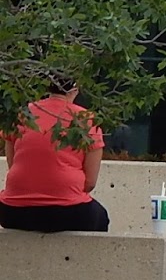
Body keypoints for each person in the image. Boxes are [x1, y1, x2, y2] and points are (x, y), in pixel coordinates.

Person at [0, 75, 110, 232]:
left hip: (13, 211)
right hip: (68, 212)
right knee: (101, 216)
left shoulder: (22, 114)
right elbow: (90, 182)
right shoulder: (88, 119)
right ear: (76, 88)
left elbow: (12, 163)